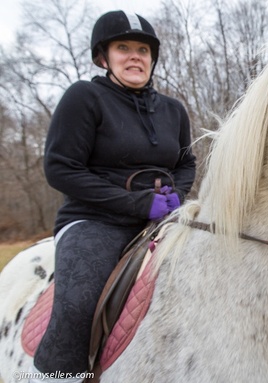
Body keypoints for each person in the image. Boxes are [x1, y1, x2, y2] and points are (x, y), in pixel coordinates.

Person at [30, 10, 196, 382]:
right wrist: (137, 203)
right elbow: (61, 169)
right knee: (77, 304)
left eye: (143, 49)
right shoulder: (84, 97)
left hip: (162, 221)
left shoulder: (173, 110)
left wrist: (178, 195)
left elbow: (187, 162)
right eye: (124, 47)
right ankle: (54, 376)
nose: (135, 56)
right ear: (104, 57)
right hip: (94, 221)